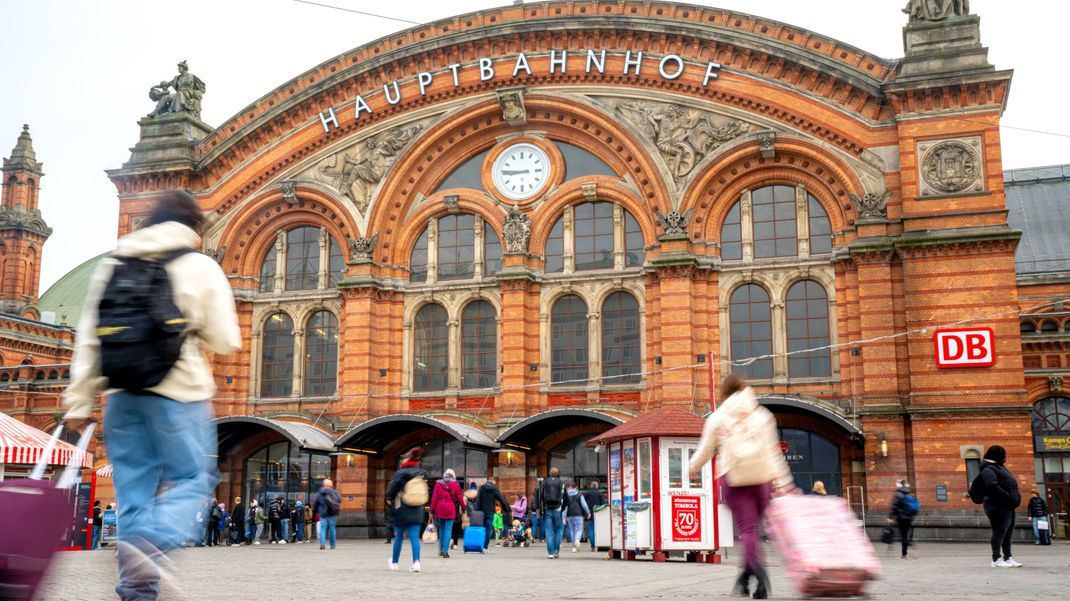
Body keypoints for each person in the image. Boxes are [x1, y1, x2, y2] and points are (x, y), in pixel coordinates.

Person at [62, 190, 240, 598]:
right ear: (192, 226)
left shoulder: (114, 264)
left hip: (122, 397)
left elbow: (89, 340)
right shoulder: (198, 265)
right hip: (178, 394)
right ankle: (151, 543)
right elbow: (226, 339)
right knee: (194, 479)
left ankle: (137, 590)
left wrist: (78, 402)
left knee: (133, 500)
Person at [688, 374, 794, 600]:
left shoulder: (719, 417)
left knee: (747, 531)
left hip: (734, 478)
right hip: (761, 478)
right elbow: (773, 453)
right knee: (754, 531)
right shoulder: (762, 415)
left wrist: (691, 467)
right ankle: (745, 577)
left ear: (725, 391)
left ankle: (760, 573)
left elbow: (706, 449)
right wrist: (784, 483)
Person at [976, 445, 1023, 567]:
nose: (1005, 458)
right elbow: (992, 486)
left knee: (1008, 532)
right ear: (997, 456)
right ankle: (996, 559)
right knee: (999, 531)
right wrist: (1007, 497)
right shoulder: (988, 469)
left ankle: (1008, 557)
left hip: (1007, 505)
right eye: (1003, 456)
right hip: (997, 506)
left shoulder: (999, 467)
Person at [386, 448, 428, 572]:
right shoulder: (421, 473)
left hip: (401, 509)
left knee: (398, 537)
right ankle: (416, 563)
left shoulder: (400, 473)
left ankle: (394, 563)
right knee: (414, 537)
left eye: (404, 457)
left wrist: (389, 497)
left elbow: (392, 490)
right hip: (417, 509)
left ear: (408, 459)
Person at [429, 468, 464, 558]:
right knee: (448, 530)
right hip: (450, 508)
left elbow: (434, 498)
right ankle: (445, 551)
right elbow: (460, 497)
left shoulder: (438, 483)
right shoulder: (455, 484)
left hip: (440, 508)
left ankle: (440, 550)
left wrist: (431, 510)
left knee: (441, 529)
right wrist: (464, 508)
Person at [474, 478, 511, 553]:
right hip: (490, 511)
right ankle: (485, 547)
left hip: (481, 512)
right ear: (493, 482)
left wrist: (475, 511)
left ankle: (480, 545)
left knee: (482, 529)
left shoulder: (481, 488)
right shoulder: (494, 489)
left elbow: (478, 500)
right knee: (489, 529)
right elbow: (501, 499)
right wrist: (506, 509)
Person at [539, 468, 566, 559]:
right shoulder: (561, 482)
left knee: (549, 531)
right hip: (558, 508)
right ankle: (556, 552)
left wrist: (541, 509)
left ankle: (550, 553)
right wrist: (563, 508)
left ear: (550, 473)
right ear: (558, 474)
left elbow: (541, 496)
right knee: (558, 530)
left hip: (547, 508)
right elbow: (565, 496)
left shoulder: (545, 482)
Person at [887, 480, 919, 559]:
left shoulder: (898, 494)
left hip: (901, 518)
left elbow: (894, 506)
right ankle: (907, 550)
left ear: (899, 486)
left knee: (903, 536)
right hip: (909, 518)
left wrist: (890, 517)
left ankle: (906, 552)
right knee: (905, 535)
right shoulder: (909, 493)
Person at [564, 481, 591, 553]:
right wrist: (588, 512)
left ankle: (574, 547)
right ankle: (577, 540)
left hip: (569, 515)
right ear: (576, 487)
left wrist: (564, 517)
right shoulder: (579, 494)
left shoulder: (567, 496)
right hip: (578, 515)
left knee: (572, 531)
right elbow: (584, 505)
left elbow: (565, 507)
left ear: (570, 487)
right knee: (579, 530)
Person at [315, 479, 342, 550]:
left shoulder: (320, 492)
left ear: (324, 485)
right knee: (332, 528)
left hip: (323, 513)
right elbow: (339, 500)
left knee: (323, 528)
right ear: (331, 485)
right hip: (332, 512)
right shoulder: (335, 492)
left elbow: (316, 503)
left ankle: (322, 544)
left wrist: (316, 511)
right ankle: (332, 545)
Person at [582, 481, 605, 551]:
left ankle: (592, 546)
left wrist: (584, 513)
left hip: (590, 514)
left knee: (591, 530)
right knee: (598, 530)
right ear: (597, 486)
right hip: (598, 514)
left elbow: (584, 504)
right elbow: (603, 504)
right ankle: (599, 544)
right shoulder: (600, 494)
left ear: (591, 486)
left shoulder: (587, 494)